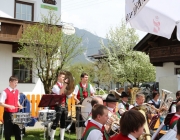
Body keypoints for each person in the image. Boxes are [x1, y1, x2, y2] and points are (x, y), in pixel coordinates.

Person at [49, 71, 72, 140]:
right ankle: (52, 137)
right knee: (55, 122)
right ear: (58, 77)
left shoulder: (65, 86)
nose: (63, 78)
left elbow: (69, 96)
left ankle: (62, 138)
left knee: (63, 123)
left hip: (64, 105)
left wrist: (68, 89)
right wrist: (65, 85)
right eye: (62, 77)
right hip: (57, 106)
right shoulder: (55, 86)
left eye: (64, 77)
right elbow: (60, 93)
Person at [73, 72, 95, 140]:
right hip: (79, 106)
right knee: (79, 122)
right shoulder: (77, 86)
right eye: (85, 77)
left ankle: (84, 137)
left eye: (87, 77)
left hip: (88, 107)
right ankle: (78, 138)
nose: (86, 79)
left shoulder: (89, 85)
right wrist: (77, 101)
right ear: (81, 78)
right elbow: (74, 96)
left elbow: (93, 94)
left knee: (86, 122)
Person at [0, 76, 23, 140]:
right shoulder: (5, 91)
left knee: (17, 132)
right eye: (15, 83)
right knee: (8, 132)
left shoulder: (17, 91)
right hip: (8, 114)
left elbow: (17, 101)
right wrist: (9, 106)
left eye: (17, 83)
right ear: (10, 82)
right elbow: (1, 103)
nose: (16, 84)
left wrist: (19, 105)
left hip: (16, 114)